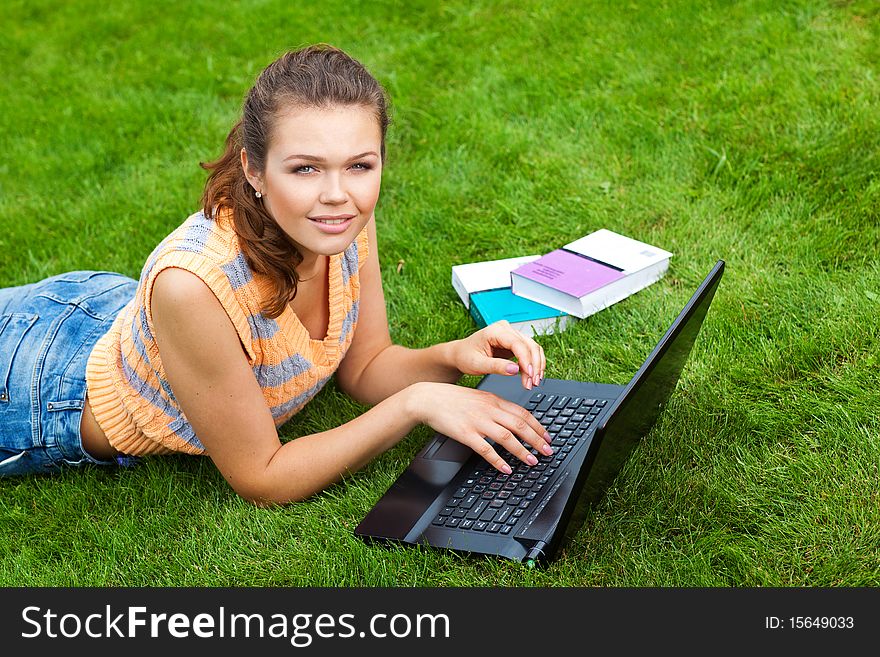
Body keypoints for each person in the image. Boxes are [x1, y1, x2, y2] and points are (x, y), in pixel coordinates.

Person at [0, 44, 553, 504]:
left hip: (107, 311)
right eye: (305, 168)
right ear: (253, 168)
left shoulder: (343, 220)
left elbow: (365, 368)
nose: (338, 195)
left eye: (360, 165)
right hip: (39, 380)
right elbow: (263, 476)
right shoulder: (193, 286)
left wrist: (453, 357)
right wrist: (414, 404)